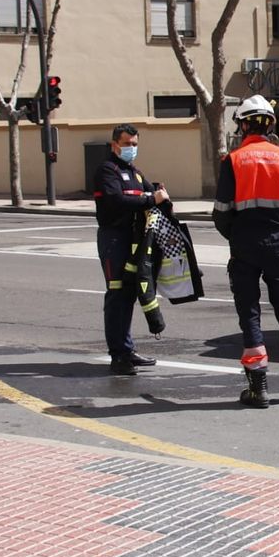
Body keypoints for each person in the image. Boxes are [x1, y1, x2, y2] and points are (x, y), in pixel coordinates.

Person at [213, 95, 279, 408]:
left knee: (250, 313)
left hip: (244, 245)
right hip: (277, 245)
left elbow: (221, 213)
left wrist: (237, 236)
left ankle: (259, 389)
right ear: (271, 124)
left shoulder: (232, 160)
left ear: (243, 125)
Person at [93, 124, 169, 375]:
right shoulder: (107, 170)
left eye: (135, 144)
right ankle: (118, 356)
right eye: (127, 144)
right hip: (113, 239)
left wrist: (160, 195)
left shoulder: (134, 172)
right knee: (116, 295)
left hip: (133, 240)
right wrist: (151, 199)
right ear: (115, 144)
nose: (131, 149)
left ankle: (126, 350)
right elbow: (116, 201)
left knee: (128, 294)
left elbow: (152, 192)